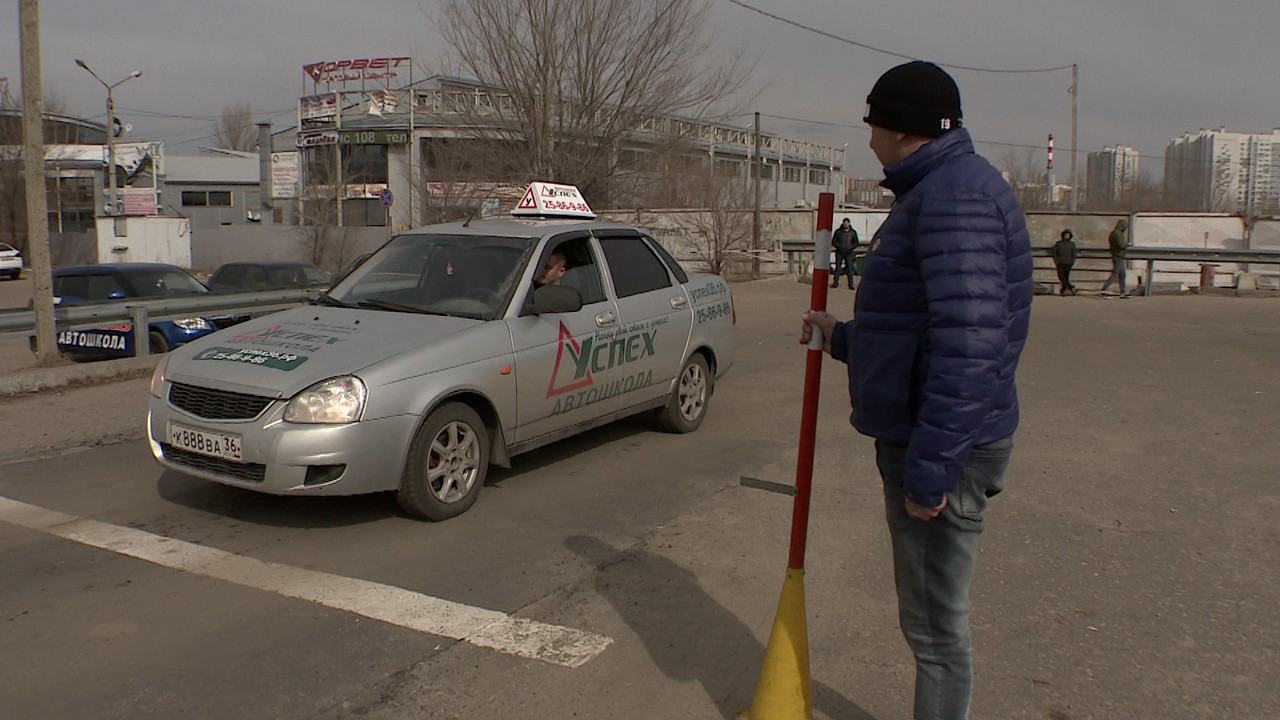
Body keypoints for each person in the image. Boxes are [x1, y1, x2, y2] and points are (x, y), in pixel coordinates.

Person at [800, 60, 1033, 720]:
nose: (867, 131)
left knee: (935, 635)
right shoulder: (941, 188)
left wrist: (931, 472)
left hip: (942, 449)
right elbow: (926, 328)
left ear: (898, 129)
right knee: (930, 627)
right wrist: (842, 336)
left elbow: (970, 347)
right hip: (939, 436)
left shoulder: (953, 198)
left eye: (872, 119)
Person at [1100, 219, 1129, 297]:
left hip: (1117, 255)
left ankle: (1123, 291)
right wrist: (1127, 244)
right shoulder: (1118, 234)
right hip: (1118, 256)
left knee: (1122, 274)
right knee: (1115, 274)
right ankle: (1104, 289)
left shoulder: (1113, 233)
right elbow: (1122, 245)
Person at [831, 217, 860, 289]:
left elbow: (856, 242)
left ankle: (851, 285)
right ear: (843, 223)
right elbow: (834, 241)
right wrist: (839, 247)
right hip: (839, 252)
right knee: (838, 268)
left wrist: (850, 248)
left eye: (847, 223)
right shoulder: (838, 232)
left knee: (849, 268)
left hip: (849, 253)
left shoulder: (853, 232)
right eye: (844, 223)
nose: (846, 224)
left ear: (849, 223)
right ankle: (835, 283)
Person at [1052, 228, 1078, 295]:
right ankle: (1070, 287)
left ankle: (1063, 290)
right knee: (1061, 276)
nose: (1066, 236)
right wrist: (1056, 260)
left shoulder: (1072, 244)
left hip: (1068, 263)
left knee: (1065, 277)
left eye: (1068, 235)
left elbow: (1074, 254)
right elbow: (1054, 252)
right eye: (1065, 235)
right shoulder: (1058, 243)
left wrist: (1072, 261)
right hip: (1060, 262)